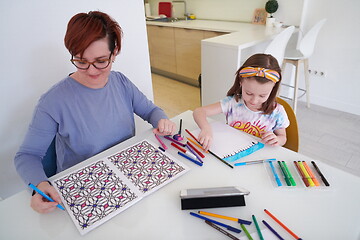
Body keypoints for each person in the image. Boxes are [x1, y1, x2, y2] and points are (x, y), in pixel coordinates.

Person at [14, 11, 176, 213]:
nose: (91, 71)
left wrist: (162, 120)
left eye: (101, 61)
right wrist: (40, 186)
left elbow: (151, 110)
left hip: (127, 175)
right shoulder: (53, 101)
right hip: (82, 189)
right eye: (81, 61)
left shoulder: (121, 82)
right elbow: (27, 155)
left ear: (114, 51)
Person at [193, 53, 289, 150]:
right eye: (249, 93)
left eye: (262, 95)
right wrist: (206, 128)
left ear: (273, 88)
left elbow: (283, 137)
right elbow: (199, 111)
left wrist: (277, 139)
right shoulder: (233, 102)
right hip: (232, 151)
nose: (254, 101)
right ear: (241, 82)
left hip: (260, 154)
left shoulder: (277, 112)